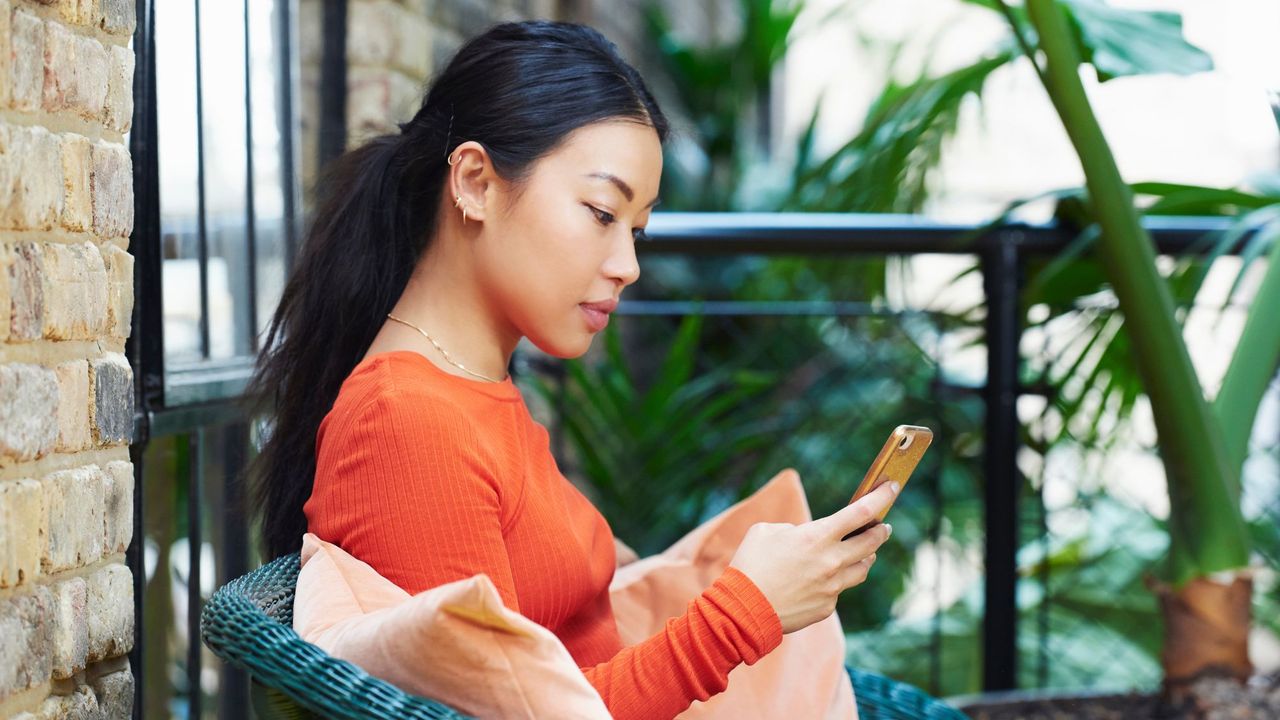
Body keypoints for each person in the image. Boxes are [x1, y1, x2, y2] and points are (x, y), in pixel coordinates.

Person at [245, 20, 896, 720]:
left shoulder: (473, 390)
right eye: (601, 212)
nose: (628, 263)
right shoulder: (406, 422)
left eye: (636, 229)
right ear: (475, 183)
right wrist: (744, 612)